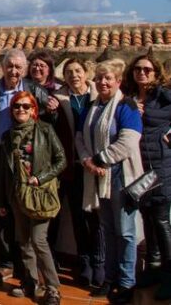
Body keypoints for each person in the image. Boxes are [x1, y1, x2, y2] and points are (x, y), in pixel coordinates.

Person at [0, 48, 54, 282]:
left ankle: (27, 267)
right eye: (9, 65)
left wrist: (54, 109)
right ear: (2, 67)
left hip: (27, 159)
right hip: (0, 156)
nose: (13, 70)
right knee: (3, 209)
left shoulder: (35, 91)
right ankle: (7, 262)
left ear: (24, 69)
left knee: (26, 210)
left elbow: (49, 125)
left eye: (18, 67)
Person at [75, 60, 143, 305]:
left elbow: (129, 141)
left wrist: (99, 159)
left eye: (108, 78)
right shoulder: (92, 107)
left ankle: (126, 282)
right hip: (97, 178)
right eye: (100, 78)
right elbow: (80, 136)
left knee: (125, 232)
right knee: (108, 229)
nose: (103, 82)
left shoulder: (127, 107)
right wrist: (87, 161)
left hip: (121, 178)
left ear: (118, 81)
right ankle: (111, 278)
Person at [0, 92, 65, 305]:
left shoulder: (45, 130)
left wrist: (40, 178)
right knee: (23, 241)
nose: (21, 110)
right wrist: (1, 201)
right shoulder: (8, 136)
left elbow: (61, 160)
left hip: (40, 194)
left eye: (26, 106)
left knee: (39, 240)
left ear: (34, 109)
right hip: (17, 195)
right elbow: (4, 172)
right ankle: (31, 282)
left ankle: (52, 288)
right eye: (17, 106)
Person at [50, 58, 104, 288]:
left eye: (78, 71)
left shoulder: (99, 95)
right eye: (69, 72)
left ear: (86, 72)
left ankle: (99, 263)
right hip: (71, 169)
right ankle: (85, 264)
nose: (74, 75)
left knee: (98, 219)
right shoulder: (61, 99)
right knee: (78, 218)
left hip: (96, 166)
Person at [122, 54, 171, 301]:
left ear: (156, 72)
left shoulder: (163, 96)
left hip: (161, 166)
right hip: (139, 168)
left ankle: (169, 276)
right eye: (138, 69)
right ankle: (153, 269)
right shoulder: (129, 97)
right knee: (148, 217)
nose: (142, 73)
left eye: (147, 69)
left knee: (162, 222)